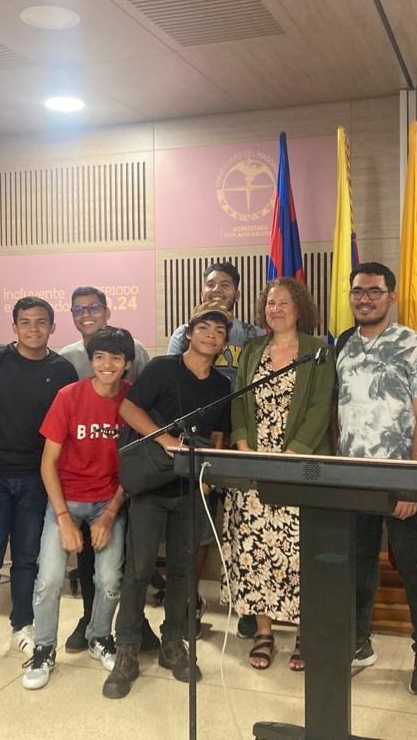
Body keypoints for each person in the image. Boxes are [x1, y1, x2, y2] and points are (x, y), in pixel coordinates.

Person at [103, 303, 233, 699]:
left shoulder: (222, 385)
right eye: (204, 327)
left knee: (182, 571)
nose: (212, 335)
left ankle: (173, 643)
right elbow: (128, 408)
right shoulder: (162, 368)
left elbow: (218, 436)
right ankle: (126, 648)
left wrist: (211, 477)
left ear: (225, 343)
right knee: (138, 569)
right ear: (190, 333)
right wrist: (165, 440)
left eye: (220, 332)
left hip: (192, 488)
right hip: (151, 488)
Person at [0, 297, 78, 676]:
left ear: (53, 328)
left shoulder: (63, 371)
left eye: (42, 322)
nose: (33, 329)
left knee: (27, 560)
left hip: (36, 480)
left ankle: (22, 627)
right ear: (15, 327)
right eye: (25, 322)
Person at [334, 261, 417, 696]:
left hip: (399, 481)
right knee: (357, 564)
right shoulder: (342, 345)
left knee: (412, 565)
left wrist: (412, 483)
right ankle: (359, 642)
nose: (364, 298)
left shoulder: (414, 346)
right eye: (357, 291)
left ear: (391, 297)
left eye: (374, 291)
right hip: (353, 478)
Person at [223, 277, 334, 671]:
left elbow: (322, 407)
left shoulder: (318, 350)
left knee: (297, 554)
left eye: (284, 302)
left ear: (299, 307)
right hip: (254, 468)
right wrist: (241, 443)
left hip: (298, 466)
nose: (276, 309)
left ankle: (306, 633)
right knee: (256, 553)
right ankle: (265, 632)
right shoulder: (253, 349)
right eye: (270, 303)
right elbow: (238, 401)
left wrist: (292, 456)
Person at [22, 327, 135, 690]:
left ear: (127, 364)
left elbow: (134, 467)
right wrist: (64, 518)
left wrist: (109, 513)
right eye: (100, 357)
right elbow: (47, 464)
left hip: (109, 500)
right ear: (91, 360)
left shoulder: (132, 403)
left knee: (109, 580)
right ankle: (42, 648)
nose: (107, 365)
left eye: (116, 358)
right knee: (50, 578)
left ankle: (99, 636)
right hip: (66, 499)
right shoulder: (69, 397)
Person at [167, 261, 265, 639]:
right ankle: (187, 600)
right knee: (200, 527)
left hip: (240, 440)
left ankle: (248, 605)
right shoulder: (183, 334)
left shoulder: (255, 335)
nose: (217, 290)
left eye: (225, 284)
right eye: (211, 285)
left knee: (243, 526)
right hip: (199, 441)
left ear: (237, 292)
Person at [56, 286, 150, 653]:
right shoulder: (66, 359)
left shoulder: (134, 349)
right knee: (88, 555)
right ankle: (90, 621)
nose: (86, 313)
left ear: (107, 311)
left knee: (126, 554)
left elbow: (141, 405)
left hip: (126, 471)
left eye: (93, 306)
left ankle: (135, 622)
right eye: (78, 308)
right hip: (82, 477)